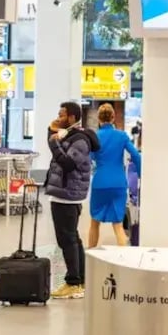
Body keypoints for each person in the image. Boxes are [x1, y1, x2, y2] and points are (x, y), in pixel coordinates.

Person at [45, 101, 99, 300]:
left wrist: (53, 143)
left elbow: (68, 164)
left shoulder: (80, 140)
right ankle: (81, 280)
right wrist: (52, 132)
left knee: (67, 240)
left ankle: (73, 282)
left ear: (72, 117)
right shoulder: (69, 135)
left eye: (62, 115)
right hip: (63, 193)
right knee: (72, 238)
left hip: (67, 195)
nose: (58, 117)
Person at [89, 104, 141, 248]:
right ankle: (123, 258)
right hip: (118, 183)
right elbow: (136, 155)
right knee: (118, 225)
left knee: (94, 223)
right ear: (113, 118)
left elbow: (89, 158)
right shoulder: (122, 136)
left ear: (99, 118)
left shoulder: (94, 137)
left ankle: (90, 257)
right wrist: (140, 174)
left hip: (100, 182)